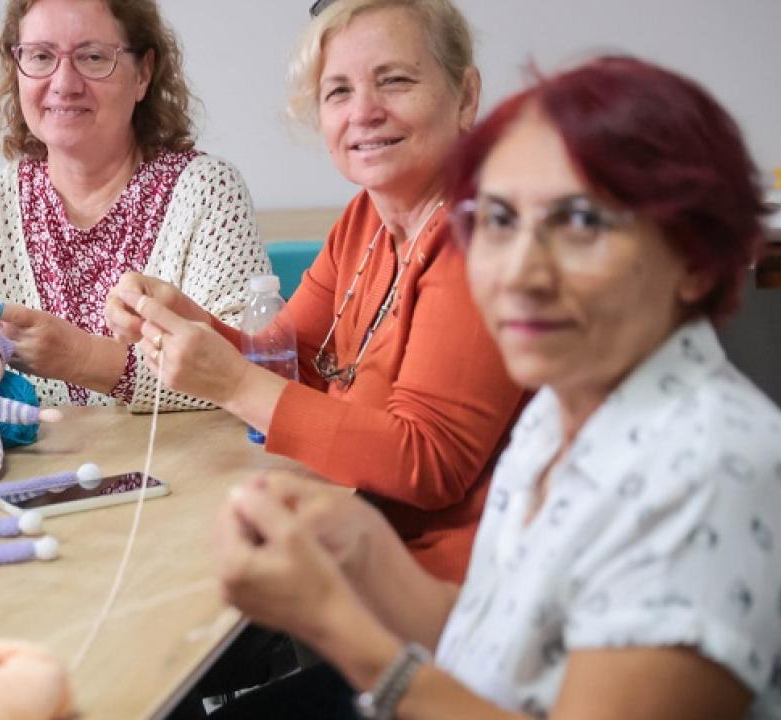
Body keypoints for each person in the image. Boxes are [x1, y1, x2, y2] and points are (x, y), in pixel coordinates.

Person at [212, 56, 781, 718]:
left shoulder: (712, 467)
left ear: (693, 260)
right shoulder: (564, 409)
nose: (519, 272)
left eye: (579, 224)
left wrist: (337, 627)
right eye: (499, 221)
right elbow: (500, 644)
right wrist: (363, 546)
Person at [108, 0, 524, 582]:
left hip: (451, 603)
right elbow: (289, 362)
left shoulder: (481, 236)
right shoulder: (365, 221)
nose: (365, 113)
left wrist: (227, 379)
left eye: (395, 81)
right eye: (338, 93)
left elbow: (427, 463)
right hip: (353, 560)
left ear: (466, 96)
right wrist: (187, 321)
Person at [0, 0, 270, 411]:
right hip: (32, 473)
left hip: (184, 469)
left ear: (143, 73)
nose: (64, 83)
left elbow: (252, 373)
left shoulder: (207, 190)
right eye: (41, 56)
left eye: (93, 57)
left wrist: (82, 358)